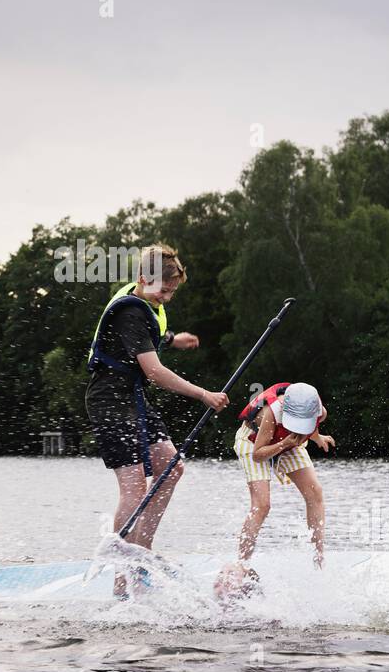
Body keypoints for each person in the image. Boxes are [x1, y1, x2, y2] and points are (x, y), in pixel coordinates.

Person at [85, 244, 229, 597]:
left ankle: (141, 555)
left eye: (172, 292)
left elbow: (146, 339)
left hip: (132, 399)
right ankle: (121, 580)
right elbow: (154, 372)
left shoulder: (141, 300)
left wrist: (171, 339)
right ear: (142, 280)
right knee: (134, 488)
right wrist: (203, 395)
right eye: (163, 290)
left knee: (171, 466)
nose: (167, 297)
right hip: (110, 401)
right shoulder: (130, 312)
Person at [233, 381, 334, 568]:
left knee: (315, 493)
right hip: (254, 442)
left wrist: (317, 437)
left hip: (288, 441)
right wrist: (284, 444)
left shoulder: (320, 410)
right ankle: (241, 565)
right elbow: (258, 455)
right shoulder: (272, 413)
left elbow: (314, 424)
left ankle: (319, 558)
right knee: (262, 505)